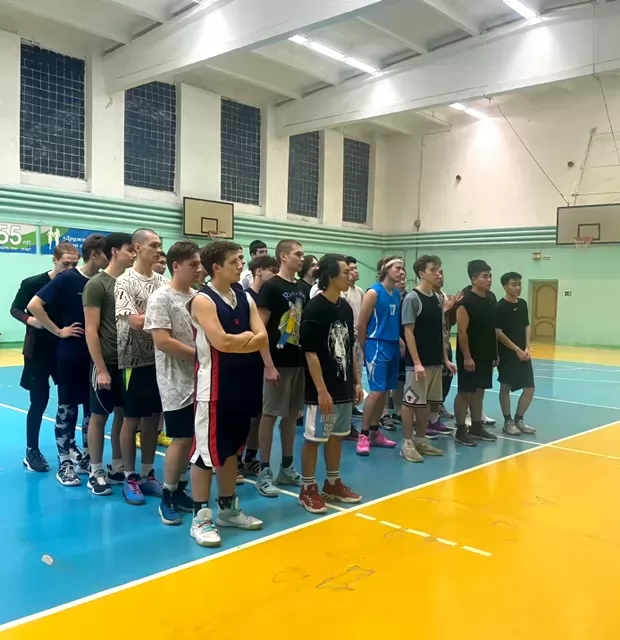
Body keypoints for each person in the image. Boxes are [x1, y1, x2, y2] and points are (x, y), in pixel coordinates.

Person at [188, 240, 267, 546]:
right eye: (235, 261)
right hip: (214, 388)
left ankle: (227, 509)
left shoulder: (245, 297)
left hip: (243, 384)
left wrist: (241, 341)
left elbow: (263, 337)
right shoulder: (202, 300)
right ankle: (200, 518)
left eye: (242, 259)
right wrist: (247, 339)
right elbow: (220, 342)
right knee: (205, 454)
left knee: (231, 449)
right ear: (216, 267)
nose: (241, 265)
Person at [28, 234, 108, 486]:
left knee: (92, 411)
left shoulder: (103, 281)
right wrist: (58, 330)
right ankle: (65, 463)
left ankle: (87, 458)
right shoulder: (67, 279)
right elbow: (34, 305)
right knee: (67, 409)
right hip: (71, 354)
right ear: (95, 254)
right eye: (107, 253)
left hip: (96, 356)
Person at [299, 254, 363, 513]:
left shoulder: (345, 307)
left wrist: (357, 382)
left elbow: (350, 348)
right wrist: (321, 390)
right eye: (345, 272)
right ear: (331, 276)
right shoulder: (315, 308)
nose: (350, 275)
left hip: (343, 385)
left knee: (337, 436)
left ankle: (333, 483)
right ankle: (307, 488)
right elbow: (310, 353)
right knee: (315, 438)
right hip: (322, 389)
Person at [145, 241, 201, 524]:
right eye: (193, 264)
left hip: (200, 379)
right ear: (176, 266)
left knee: (193, 437)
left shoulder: (199, 297)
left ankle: (179, 488)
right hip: (175, 380)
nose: (199, 269)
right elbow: (163, 341)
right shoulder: (161, 298)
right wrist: (200, 356)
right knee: (180, 437)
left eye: (200, 264)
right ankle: (167, 495)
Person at [11, 242, 79, 472]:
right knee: (38, 401)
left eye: (74, 264)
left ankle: (69, 445)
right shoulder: (33, 283)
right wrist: (30, 320)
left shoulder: (76, 284)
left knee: (69, 401)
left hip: (65, 350)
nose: (69, 269)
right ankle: (32, 450)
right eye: (65, 263)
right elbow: (15, 308)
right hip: (38, 352)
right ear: (54, 260)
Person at [114, 228, 167, 505]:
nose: (159, 250)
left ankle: (148, 473)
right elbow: (134, 321)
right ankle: (129, 476)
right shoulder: (124, 281)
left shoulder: (163, 282)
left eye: (160, 245)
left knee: (153, 418)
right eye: (153, 245)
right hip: (133, 360)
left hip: (160, 359)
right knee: (131, 418)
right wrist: (162, 318)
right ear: (137, 248)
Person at [83, 233, 135, 496]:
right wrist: (101, 368)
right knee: (99, 416)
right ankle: (95, 471)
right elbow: (91, 330)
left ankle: (117, 466)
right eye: (129, 250)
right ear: (115, 251)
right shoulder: (97, 284)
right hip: (106, 362)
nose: (134, 254)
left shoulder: (131, 283)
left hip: (129, 363)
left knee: (123, 416)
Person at [255, 239, 306, 497]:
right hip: (277, 363)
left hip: (298, 363)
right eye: (298, 254)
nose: (302, 258)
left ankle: (287, 466)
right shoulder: (271, 287)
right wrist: (268, 364)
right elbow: (260, 329)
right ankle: (264, 470)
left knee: (292, 415)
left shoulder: (302, 288)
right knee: (270, 415)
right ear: (283, 257)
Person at [400, 255, 454, 462]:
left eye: (439, 270)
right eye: (433, 270)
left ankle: (420, 440)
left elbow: (440, 331)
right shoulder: (412, 298)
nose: (438, 273)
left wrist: (445, 359)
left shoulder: (438, 298)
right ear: (422, 273)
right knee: (411, 402)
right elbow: (408, 331)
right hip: (418, 363)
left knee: (428, 404)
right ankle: (407, 443)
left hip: (435, 361)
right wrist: (416, 362)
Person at [356, 256, 405, 456]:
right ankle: (363, 435)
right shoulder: (373, 293)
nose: (401, 272)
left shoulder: (397, 294)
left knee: (385, 392)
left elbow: (391, 321)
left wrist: (399, 340)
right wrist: (365, 349)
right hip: (376, 345)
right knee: (376, 392)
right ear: (385, 269)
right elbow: (361, 325)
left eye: (403, 269)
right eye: (397, 268)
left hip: (392, 345)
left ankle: (375, 432)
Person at [239, 254, 279, 478]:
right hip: (248, 361)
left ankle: (251, 457)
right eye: (272, 270)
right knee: (245, 415)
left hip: (267, 361)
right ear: (259, 271)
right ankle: (236, 457)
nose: (275, 275)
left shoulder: (272, 297)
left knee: (261, 413)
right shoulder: (246, 297)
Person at [454, 260, 498, 446]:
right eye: (484, 277)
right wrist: (467, 357)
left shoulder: (491, 298)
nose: (489, 280)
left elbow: (492, 327)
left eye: (490, 276)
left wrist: (495, 353)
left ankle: (477, 426)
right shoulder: (465, 301)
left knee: (480, 391)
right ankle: (460, 430)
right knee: (466, 392)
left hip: (486, 353)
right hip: (470, 355)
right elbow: (462, 332)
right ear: (474, 279)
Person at [496, 272, 537, 435]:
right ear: (505, 287)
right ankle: (507, 421)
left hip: (523, 353)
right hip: (507, 354)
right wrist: (517, 350)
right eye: (514, 284)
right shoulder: (500, 307)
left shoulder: (522, 304)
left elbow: (526, 326)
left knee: (530, 388)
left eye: (519, 284)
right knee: (505, 386)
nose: (518, 287)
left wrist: (526, 348)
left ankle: (519, 419)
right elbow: (498, 332)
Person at [343, 256, 365, 434]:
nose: (355, 271)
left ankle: (352, 406)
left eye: (356, 268)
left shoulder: (359, 291)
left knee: (357, 373)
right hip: (345, 339)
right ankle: (345, 418)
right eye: (351, 269)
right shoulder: (343, 293)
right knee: (347, 375)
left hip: (358, 338)